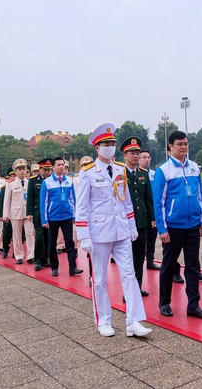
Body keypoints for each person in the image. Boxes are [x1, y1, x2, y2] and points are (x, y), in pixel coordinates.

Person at [76, 124, 152, 337]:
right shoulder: (88, 173)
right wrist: (83, 236)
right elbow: (81, 207)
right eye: (106, 144)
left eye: (112, 144)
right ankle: (104, 320)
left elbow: (125, 200)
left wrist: (131, 226)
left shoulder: (120, 169)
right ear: (97, 148)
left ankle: (134, 321)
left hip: (121, 231)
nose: (110, 147)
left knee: (129, 275)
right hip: (99, 232)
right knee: (99, 279)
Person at [153, 131, 202, 319]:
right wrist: (162, 228)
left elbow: (200, 196)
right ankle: (165, 302)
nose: (184, 147)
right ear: (170, 147)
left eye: (186, 144)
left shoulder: (194, 167)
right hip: (173, 227)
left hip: (193, 225)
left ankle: (193, 305)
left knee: (193, 266)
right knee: (169, 266)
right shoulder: (164, 170)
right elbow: (159, 202)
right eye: (179, 144)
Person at [121, 136, 155, 295]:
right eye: (132, 152)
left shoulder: (143, 173)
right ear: (124, 154)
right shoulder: (119, 174)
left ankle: (137, 287)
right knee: (126, 259)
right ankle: (127, 291)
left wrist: (152, 219)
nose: (135, 155)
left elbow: (148, 198)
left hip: (141, 222)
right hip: (124, 223)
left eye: (137, 152)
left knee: (139, 257)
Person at [40, 157, 81, 277]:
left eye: (63, 164)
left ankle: (73, 268)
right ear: (53, 167)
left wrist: (74, 215)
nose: (61, 167)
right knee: (52, 244)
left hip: (67, 216)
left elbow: (73, 199)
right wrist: (44, 219)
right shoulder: (47, 182)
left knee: (70, 243)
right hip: (53, 217)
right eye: (58, 165)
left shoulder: (69, 180)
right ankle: (54, 267)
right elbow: (44, 202)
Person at [1, 159, 33, 263]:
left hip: (28, 213)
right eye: (19, 169)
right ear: (15, 171)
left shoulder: (30, 183)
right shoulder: (10, 184)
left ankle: (30, 255)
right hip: (15, 212)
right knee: (17, 235)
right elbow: (7, 201)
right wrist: (5, 214)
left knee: (30, 233)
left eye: (23, 169)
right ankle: (19, 255)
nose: (22, 171)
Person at [26, 159, 52, 270]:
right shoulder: (33, 181)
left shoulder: (52, 180)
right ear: (40, 169)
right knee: (40, 237)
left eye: (49, 170)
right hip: (37, 213)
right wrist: (29, 213)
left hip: (49, 213)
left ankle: (46, 259)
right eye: (45, 170)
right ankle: (39, 260)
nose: (47, 172)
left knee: (48, 237)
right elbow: (30, 199)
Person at [139, 150, 161, 271]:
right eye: (143, 157)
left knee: (152, 239)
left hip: (153, 212)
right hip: (142, 212)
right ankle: (139, 262)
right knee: (141, 241)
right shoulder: (136, 174)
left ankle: (150, 261)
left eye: (148, 157)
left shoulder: (155, 174)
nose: (146, 159)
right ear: (139, 159)